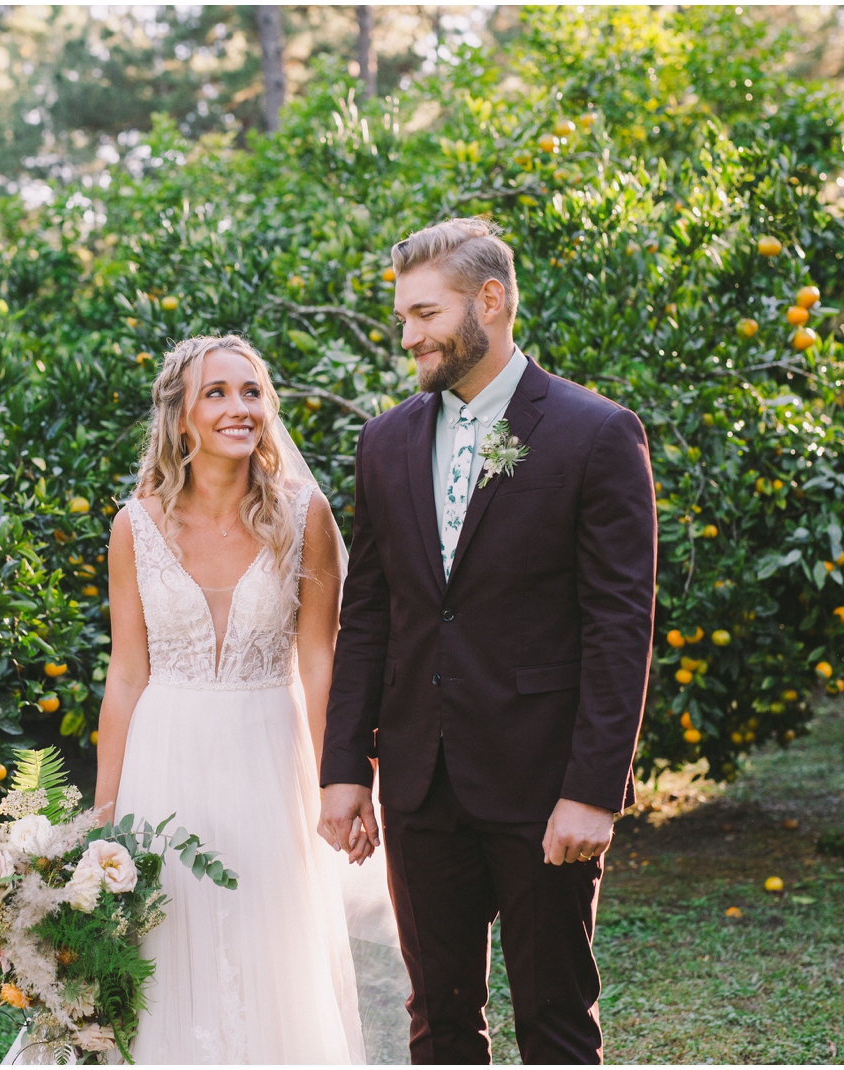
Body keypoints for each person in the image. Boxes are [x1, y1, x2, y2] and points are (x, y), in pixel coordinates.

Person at [318, 217, 658, 1064]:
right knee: (437, 1021)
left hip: (542, 785)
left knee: (553, 1022)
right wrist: (343, 770)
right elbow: (368, 614)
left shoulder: (596, 433)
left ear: (492, 300)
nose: (409, 337)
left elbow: (622, 625)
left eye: (425, 314)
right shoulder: (385, 440)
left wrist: (594, 789)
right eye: (403, 318)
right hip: (420, 788)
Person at [87, 334, 367, 1063]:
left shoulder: (305, 515)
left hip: (270, 756)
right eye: (216, 393)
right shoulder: (134, 526)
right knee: (165, 940)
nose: (239, 408)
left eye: (251, 393)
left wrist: (337, 781)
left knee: (270, 945)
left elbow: (319, 662)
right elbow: (125, 675)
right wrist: (102, 815)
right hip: (164, 756)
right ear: (181, 416)